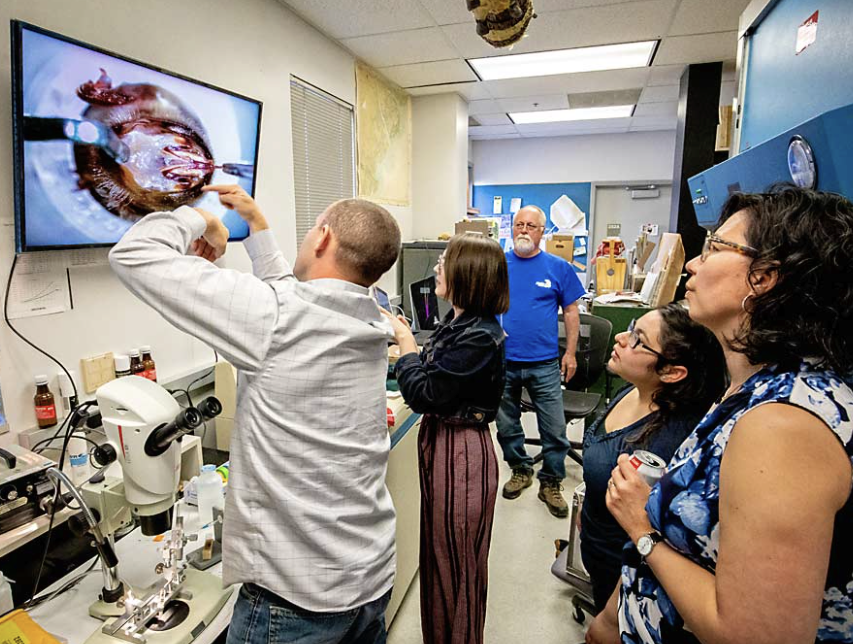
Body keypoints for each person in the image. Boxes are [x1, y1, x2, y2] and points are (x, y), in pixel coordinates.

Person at [109, 185, 402, 644]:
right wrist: (258, 229)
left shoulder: (275, 318)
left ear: (323, 237)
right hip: (369, 579)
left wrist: (200, 218)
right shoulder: (369, 317)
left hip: (295, 602)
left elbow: (134, 254)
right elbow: (295, 301)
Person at [588, 186, 853, 644]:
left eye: (714, 247)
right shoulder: (751, 390)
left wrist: (642, 529)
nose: (693, 263)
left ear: (764, 277)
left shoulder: (785, 425)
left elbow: (754, 635)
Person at [385, 233, 509, 644]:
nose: (437, 268)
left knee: (457, 567)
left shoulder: (479, 336)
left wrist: (405, 345)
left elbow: (425, 394)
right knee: (440, 560)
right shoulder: (460, 324)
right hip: (445, 443)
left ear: (468, 273)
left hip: (461, 454)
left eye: (445, 261)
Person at [580, 304, 726, 613]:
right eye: (631, 328)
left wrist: (610, 618)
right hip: (596, 544)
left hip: (622, 571)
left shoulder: (666, 443)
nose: (620, 338)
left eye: (638, 339)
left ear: (671, 372)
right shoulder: (635, 390)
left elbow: (650, 536)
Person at [496, 205, 586, 518]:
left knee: (555, 428)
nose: (523, 230)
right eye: (518, 224)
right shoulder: (497, 265)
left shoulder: (558, 268)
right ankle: (520, 469)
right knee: (507, 425)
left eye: (530, 226)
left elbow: (571, 312)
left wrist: (570, 353)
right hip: (503, 361)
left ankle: (551, 481)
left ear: (542, 232)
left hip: (544, 363)